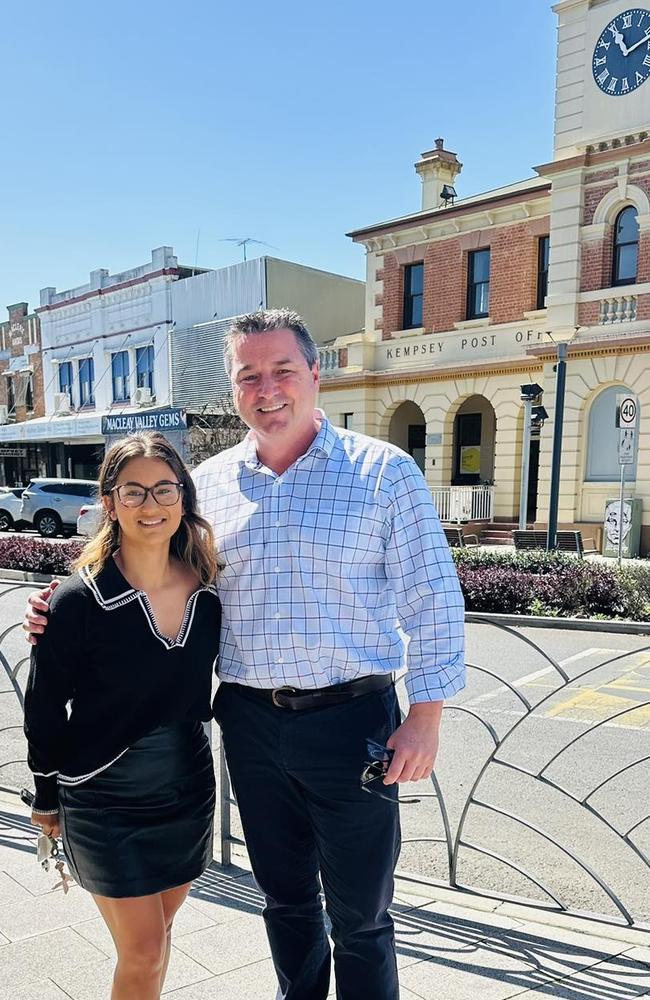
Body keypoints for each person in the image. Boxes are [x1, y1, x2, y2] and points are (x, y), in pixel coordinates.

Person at [26, 309, 465, 1000]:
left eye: (283, 370)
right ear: (234, 389)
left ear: (316, 374)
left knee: (362, 918)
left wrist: (428, 716)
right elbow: (149, 565)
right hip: (251, 726)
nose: (269, 389)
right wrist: (67, 600)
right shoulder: (211, 485)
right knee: (285, 902)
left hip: (356, 727)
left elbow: (434, 599)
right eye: (249, 375)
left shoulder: (385, 473)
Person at [24, 432, 220, 1000]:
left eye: (164, 489)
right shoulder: (77, 601)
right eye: (134, 492)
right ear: (109, 501)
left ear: (183, 497)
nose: (151, 505)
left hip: (185, 790)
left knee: (158, 938)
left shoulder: (209, 592)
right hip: (104, 796)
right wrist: (45, 793)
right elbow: (43, 702)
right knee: (144, 951)